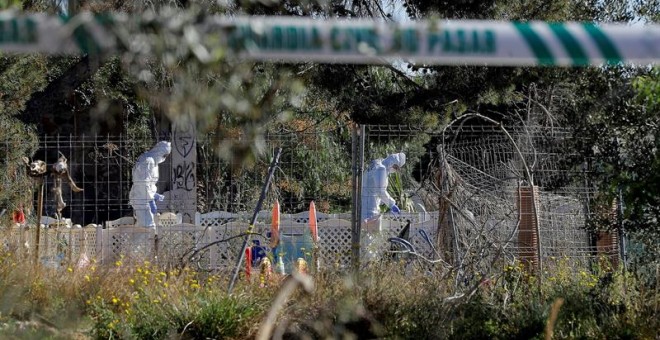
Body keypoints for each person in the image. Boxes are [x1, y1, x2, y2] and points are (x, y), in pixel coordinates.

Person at [360, 152, 406, 259]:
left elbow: (372, 189)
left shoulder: (375, 166)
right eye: (395, 167)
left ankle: (366, 267)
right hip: (370, 210)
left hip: (366, 206)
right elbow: (380, 191)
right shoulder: (381, 169)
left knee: (366, 242)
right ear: (393, 163)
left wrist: (382, 202)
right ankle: (368, 268)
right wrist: (392, 203)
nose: (394, 170)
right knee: (370, 242)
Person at [129, 141, 171, 227]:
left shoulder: (153, 161)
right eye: (164, 155)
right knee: (148, 227)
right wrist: (151, 199)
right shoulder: (148, 161)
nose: (164, 158)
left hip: (145, 198)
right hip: (141, 199)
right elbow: (143, 183)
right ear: (160, 152)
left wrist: (154, 194)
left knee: (143, 228)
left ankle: (136, 240)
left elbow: (149, 183)